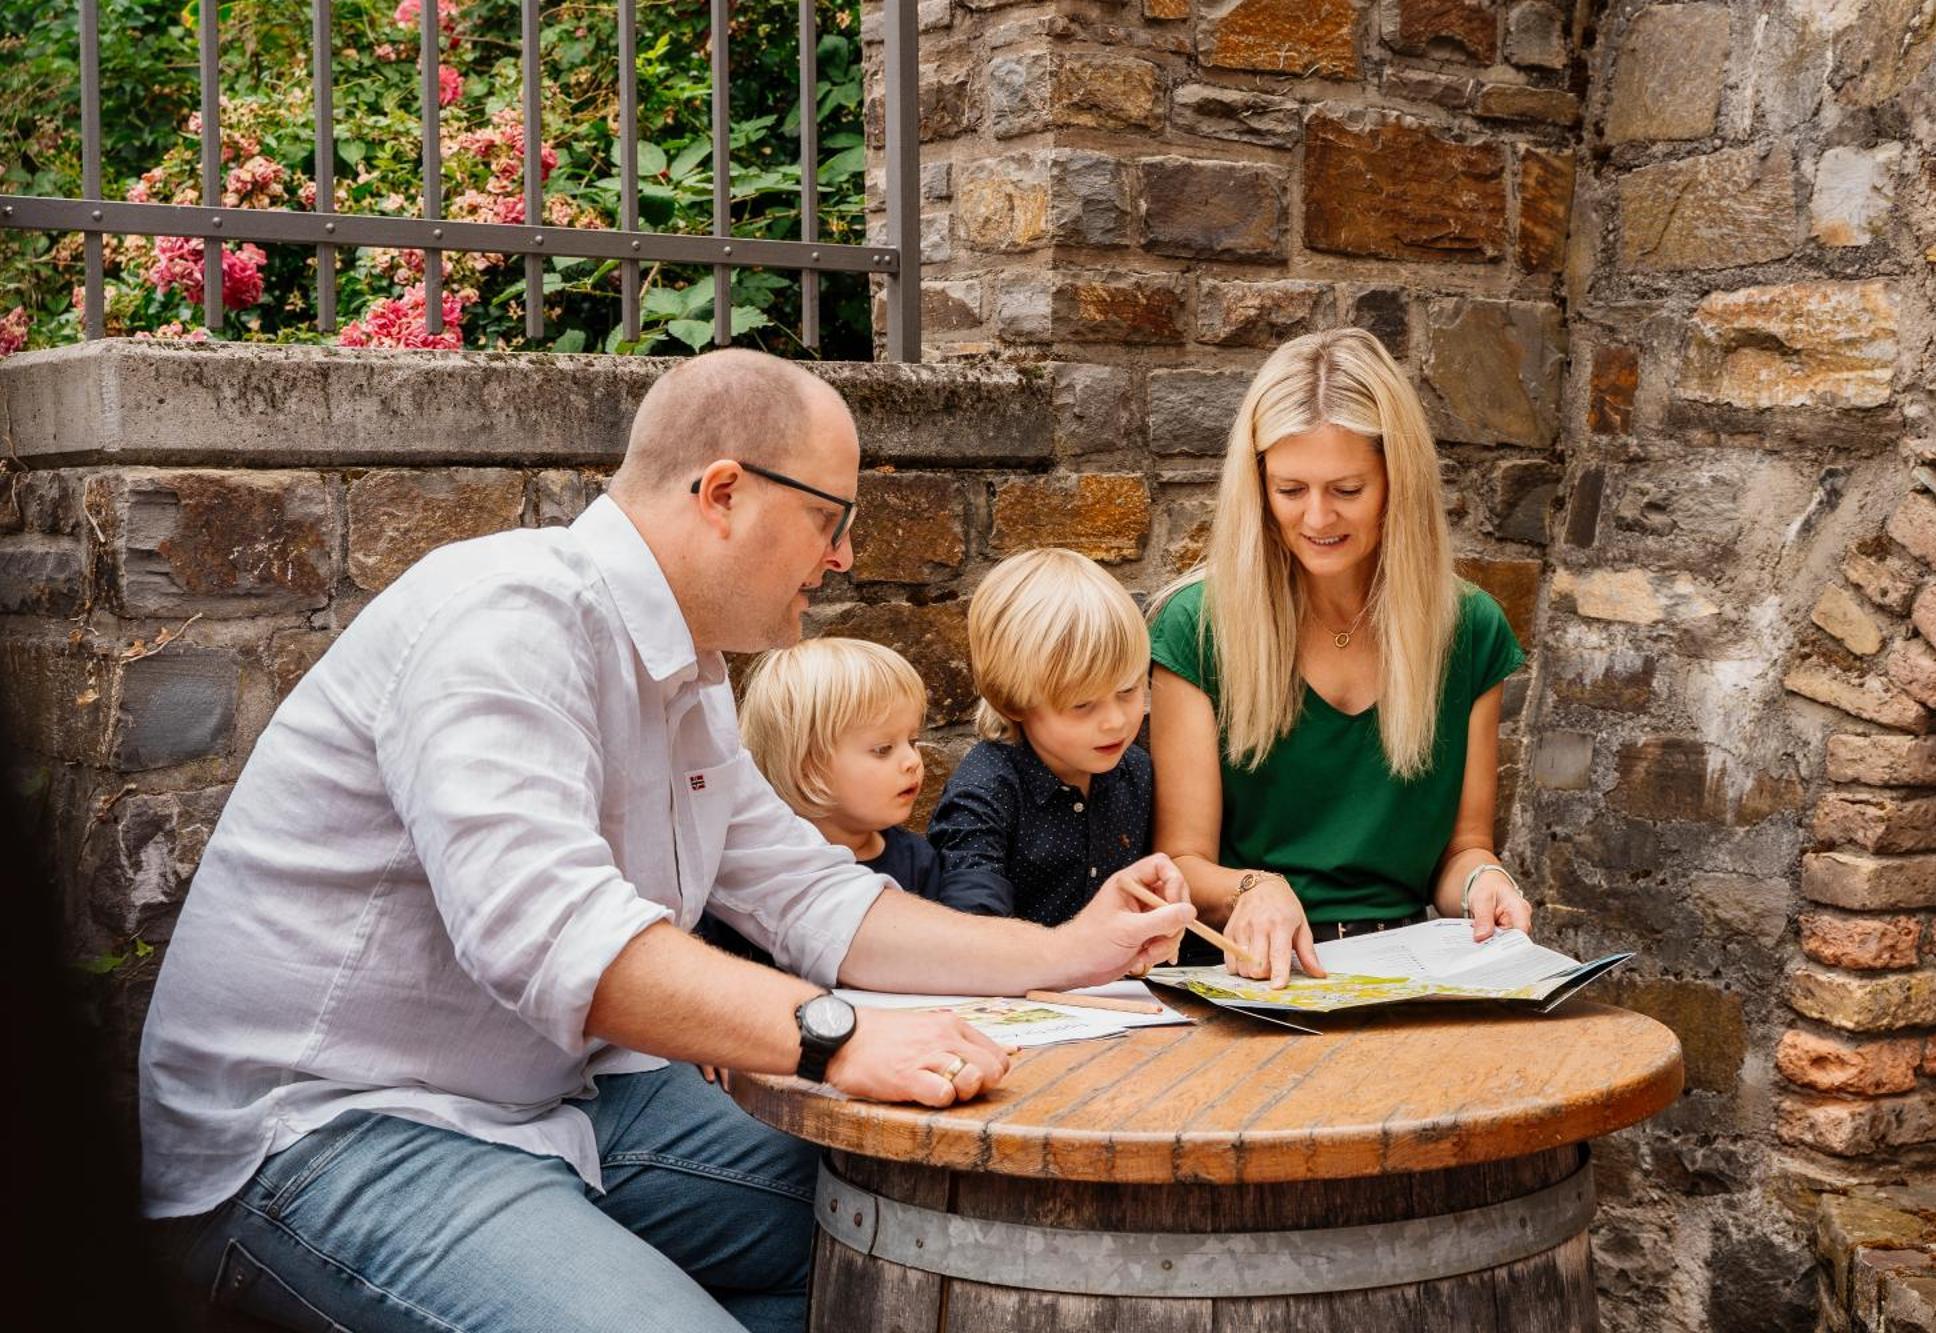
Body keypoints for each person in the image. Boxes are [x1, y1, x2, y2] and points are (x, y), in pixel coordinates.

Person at [137, 349, 1194, 1333]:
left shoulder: (685, 673)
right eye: (831, 515)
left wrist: (1071, 951)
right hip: (326, 1132)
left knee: (916, 1235)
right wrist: (832, 1034)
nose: (845, 554)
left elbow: (814, 899)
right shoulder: (505, 617)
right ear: (723, 492)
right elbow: (547, 933)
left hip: (556, 1103)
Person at [1148, 328, 1534, 990]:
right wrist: (1253, 888)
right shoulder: (1198, 627)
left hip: (1410, 967)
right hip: (1255, 975)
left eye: (1347, 489)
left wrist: (1483, 880)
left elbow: (1461, 848)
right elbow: (1182, 858)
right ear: (1258, 485)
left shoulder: (1467, 629)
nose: (1317, 515)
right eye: (1291, 489)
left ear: (1396, 483)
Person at [699, 638, 1008, 970]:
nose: (912, 761)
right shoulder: (749, 871)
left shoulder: (918, 860)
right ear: (808, 766)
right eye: (883, 749)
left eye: (913, 741)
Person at [928, 548, 1153, 927]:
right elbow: (969, 927)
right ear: (1012, 701)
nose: (1115, 721)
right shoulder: (984, 791)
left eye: (1128, 691)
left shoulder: (1137, 772)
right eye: (1083, 705)